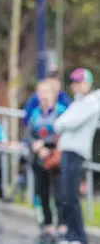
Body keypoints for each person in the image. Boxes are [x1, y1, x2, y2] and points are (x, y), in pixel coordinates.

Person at [55, 68, 100, 244]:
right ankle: (70, 234)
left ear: (87, 84)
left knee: (71, 195)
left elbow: (68, 122)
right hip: (67, 150)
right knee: (65, 195)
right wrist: (61, 123)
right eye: (74, 82)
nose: (76, 86)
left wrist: (61, 123)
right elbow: (61, 123)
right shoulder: (78, 103)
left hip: (76, 152)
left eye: (80, 82)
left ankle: (79, 236)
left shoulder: (91, 103)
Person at [25, 80, 67, 244]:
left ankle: (62, 226)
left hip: (55, 158)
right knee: (41, 193)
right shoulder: (36, 113)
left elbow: (61, 133)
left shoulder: (61, 112)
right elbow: (28, 133)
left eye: (45, 92)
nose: (42, 96)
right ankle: (48, 226)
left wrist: (46, 144)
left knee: (58, 194)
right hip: (38, 158)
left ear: (53, 94)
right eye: (39, 92)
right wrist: (35, 144)